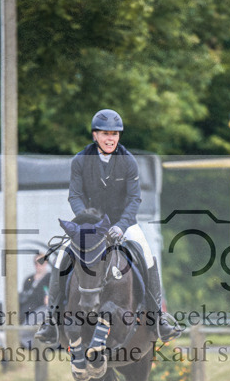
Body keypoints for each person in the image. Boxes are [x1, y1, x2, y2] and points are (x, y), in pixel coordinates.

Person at [36, 108, 182, 344]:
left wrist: (121, 226)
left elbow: (134, 199)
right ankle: (51, 321)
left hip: (123, 224)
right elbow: (74, 195)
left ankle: (158, 318)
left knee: (147, 254)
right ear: (95, 135)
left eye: (115, 134)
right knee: (61, 255)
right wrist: (87, 221)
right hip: (91, 226)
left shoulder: (128, 162)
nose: (110, 138)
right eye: (105, 133)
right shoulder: (81, 161)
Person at [19, 251, 51, 348]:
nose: (38, 265)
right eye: (36, 263)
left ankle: (23, 342)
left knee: (32, 322)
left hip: (41, 308)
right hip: (26, 308)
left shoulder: (50, 278)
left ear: (46, 263)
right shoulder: (28, 279)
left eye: (40, 262)